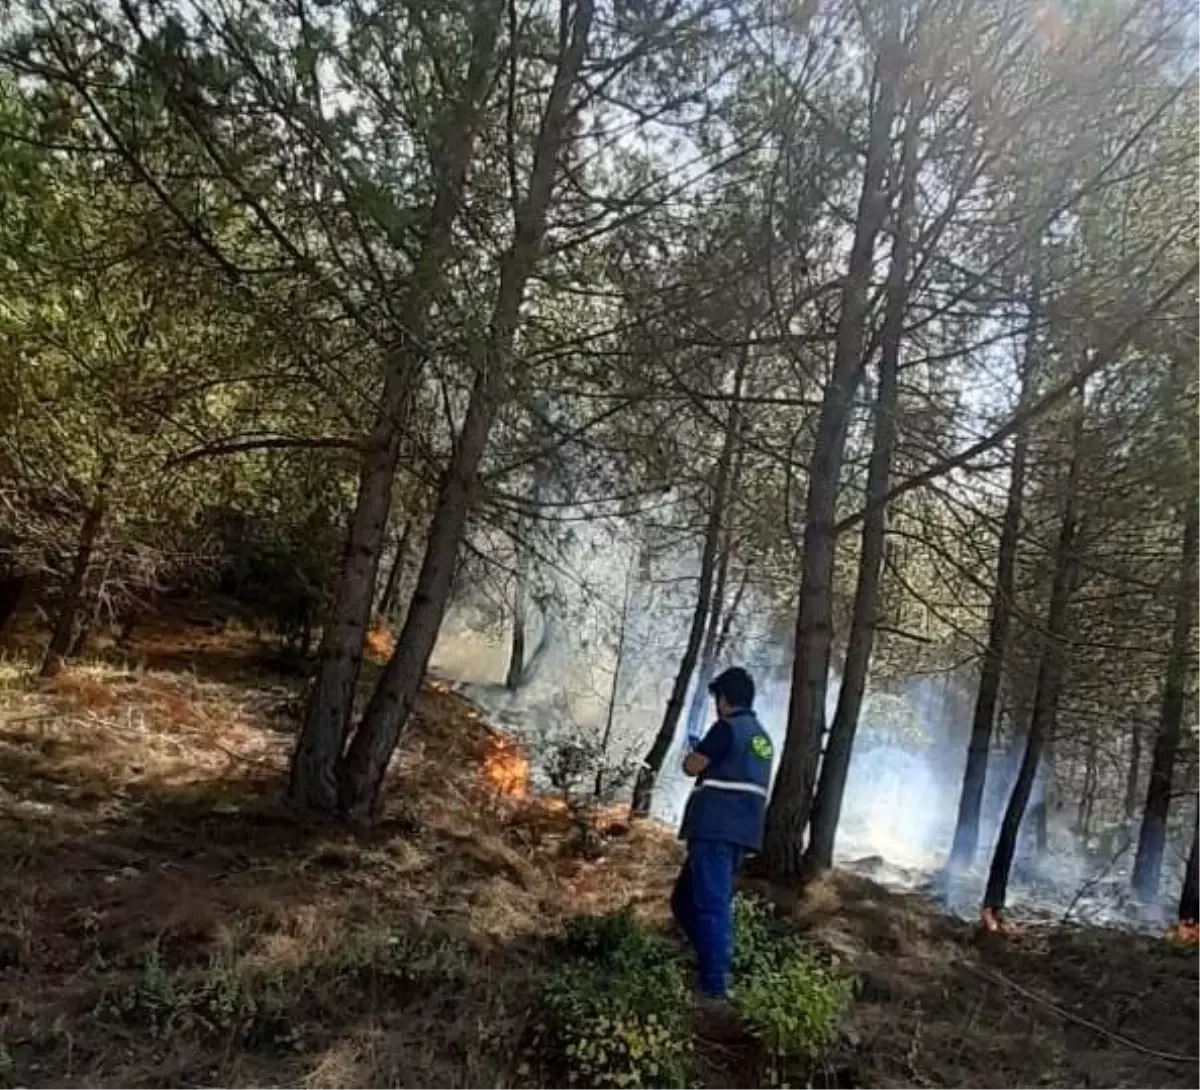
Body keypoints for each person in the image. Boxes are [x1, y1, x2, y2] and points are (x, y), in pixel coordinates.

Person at [671, 666, 774, 1000]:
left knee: (712, 904)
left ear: (725, 699)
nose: (717, 705)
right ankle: (706, 958)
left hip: (714, 828)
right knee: (684, 901)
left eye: (718, 699)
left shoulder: (725, 728)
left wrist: (696, 749)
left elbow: (692, 767)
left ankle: (715, 987)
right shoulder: (762, 738)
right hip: (742, 832)